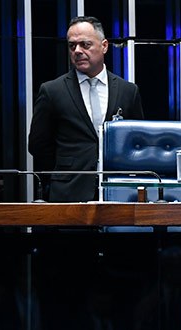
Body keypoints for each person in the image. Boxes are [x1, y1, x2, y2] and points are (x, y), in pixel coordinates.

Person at [28, 16, 144, 202]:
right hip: (69, 190)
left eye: (85, 44)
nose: (77, 51)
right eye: (72, 46)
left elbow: (137, 142)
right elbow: (38, 144)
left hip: (118, 190)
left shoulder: (127, 91)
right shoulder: (52, 91)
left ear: (104, 46)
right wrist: (65, 170)